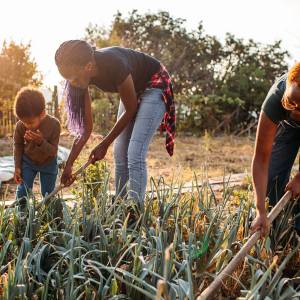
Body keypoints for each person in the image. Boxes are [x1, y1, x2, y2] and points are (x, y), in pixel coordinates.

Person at [54, 40, 175, 206]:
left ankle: (135, 209)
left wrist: (104, 144)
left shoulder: (114, 63)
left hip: (154, 84)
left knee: (135, 151)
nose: (71, 84)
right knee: (119, 152)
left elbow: (130, 109)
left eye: (73, 79)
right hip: (132, 87)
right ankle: (120, 204)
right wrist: (69, 165)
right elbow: (86, 130)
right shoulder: (80, 77)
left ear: (88, 66)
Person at [251, 62, 300, 237]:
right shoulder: (275, 99)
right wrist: (260, 211)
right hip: (287, 126)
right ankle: (274, 235)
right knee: (273, 178)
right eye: (292, 102)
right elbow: (261, 159)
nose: (296, 110)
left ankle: (296, 235)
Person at [13, 87, 61, 208]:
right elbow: (18, 145)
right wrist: (17, 166)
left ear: (42, 114)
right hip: (28, 161)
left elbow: (53, 152)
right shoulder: (20, 126)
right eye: (24, 122)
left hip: (48, 162)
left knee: (48, 194)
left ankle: (48, 218)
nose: (27, 126)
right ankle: (22, 217)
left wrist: (40, 141)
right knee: (22, 191)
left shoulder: (54, 125)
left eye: (30, 123)